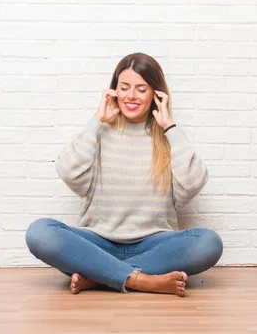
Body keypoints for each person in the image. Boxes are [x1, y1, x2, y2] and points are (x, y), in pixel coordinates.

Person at [25, 52, 223, 297]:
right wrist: (97, 120)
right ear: (114, 90)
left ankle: (100, 276)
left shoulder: (167, 138)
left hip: (154, 244)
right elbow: (67, 170)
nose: (131, 96)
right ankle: (143, 281)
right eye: (124, 87)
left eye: (141, 89)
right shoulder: (100, 132)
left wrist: (170, 128)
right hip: (97, 243)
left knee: (208, 243)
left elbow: (193, 183)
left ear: (156, 94)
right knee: (39, 232)